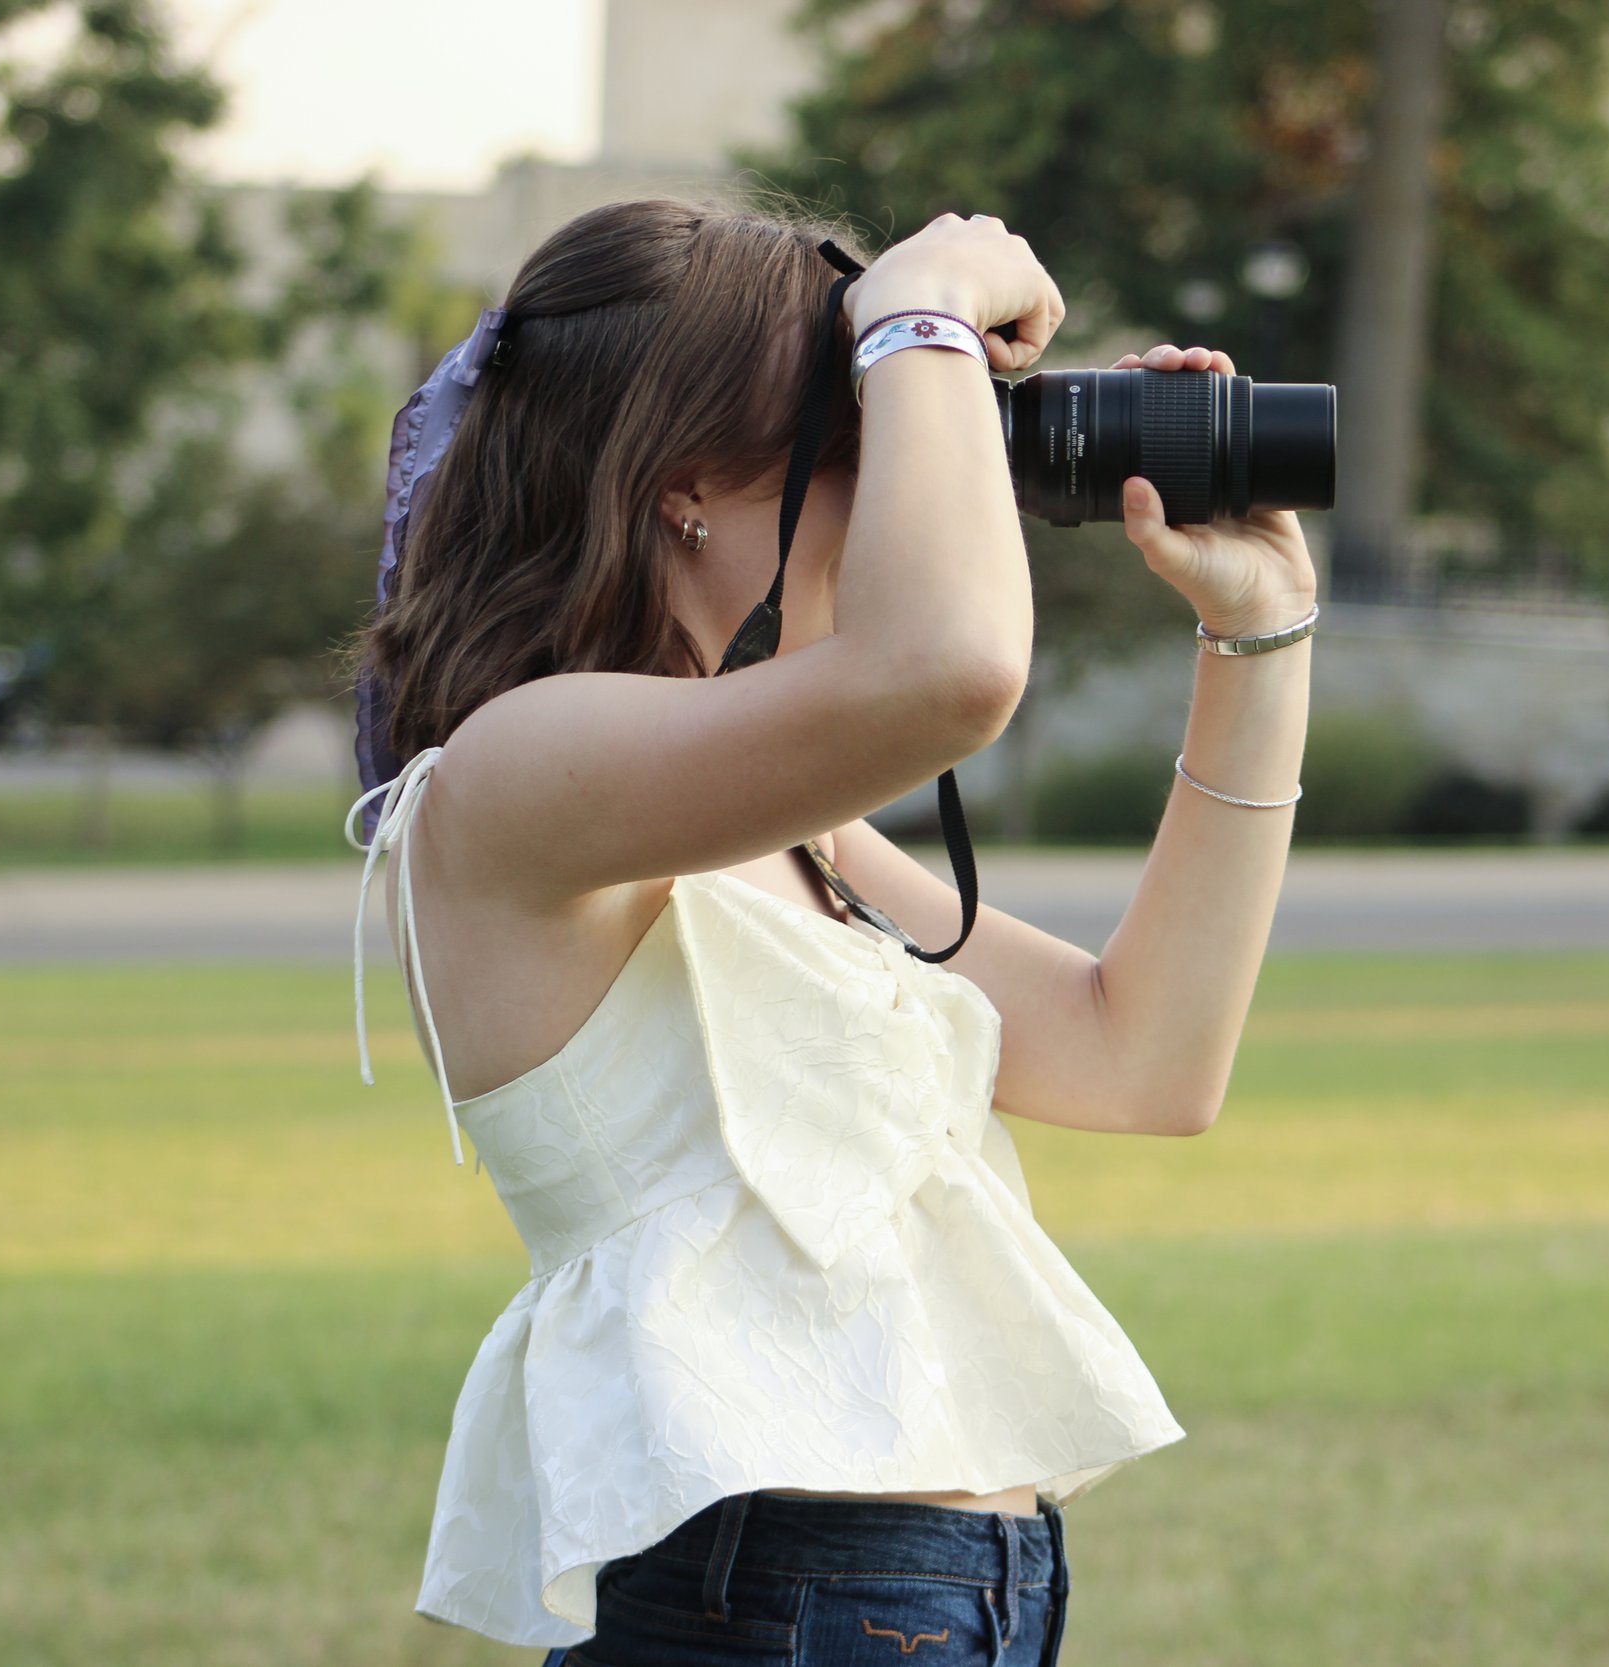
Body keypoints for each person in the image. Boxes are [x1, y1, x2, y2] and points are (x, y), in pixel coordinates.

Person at [344, 199, 1317, 1666]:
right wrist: (919, 306)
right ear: (687, 489)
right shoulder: (508, 775)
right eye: (865, 433)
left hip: (941, 1595)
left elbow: (1148, 1057)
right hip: (779, 1599)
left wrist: (1258, 637)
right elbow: (949, 667)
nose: (920, 482)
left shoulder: (788, 835)